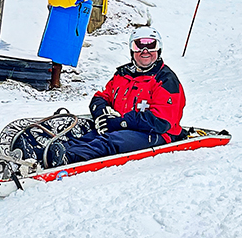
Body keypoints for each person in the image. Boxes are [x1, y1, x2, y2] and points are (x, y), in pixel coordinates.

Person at [22, 26, 186, 168]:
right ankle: (41, 154)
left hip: (155, 134)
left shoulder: (165, 80)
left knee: (109, 141)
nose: (145, 51)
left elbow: (162, 121)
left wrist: (121, 122)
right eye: (138, 46)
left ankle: (67, 159)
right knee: (88, 136)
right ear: (132, 49)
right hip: (123, 128)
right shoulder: (123, 74)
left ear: (158, 49)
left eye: (151, 45)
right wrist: (101, 113)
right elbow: (101, 97)